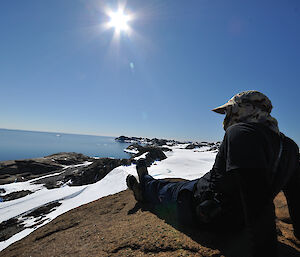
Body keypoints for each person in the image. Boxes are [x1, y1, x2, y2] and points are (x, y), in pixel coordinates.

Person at [126, 90, 300, 257]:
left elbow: (257, 200)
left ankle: (145, 184)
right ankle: (148, 181)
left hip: (199, 206)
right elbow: (296, 196)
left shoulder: (241, 133)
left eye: (229, 111)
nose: (226, 118)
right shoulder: (289, 146)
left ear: (242, 109)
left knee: (165, 190)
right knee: (178, 184)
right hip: (223, 205)